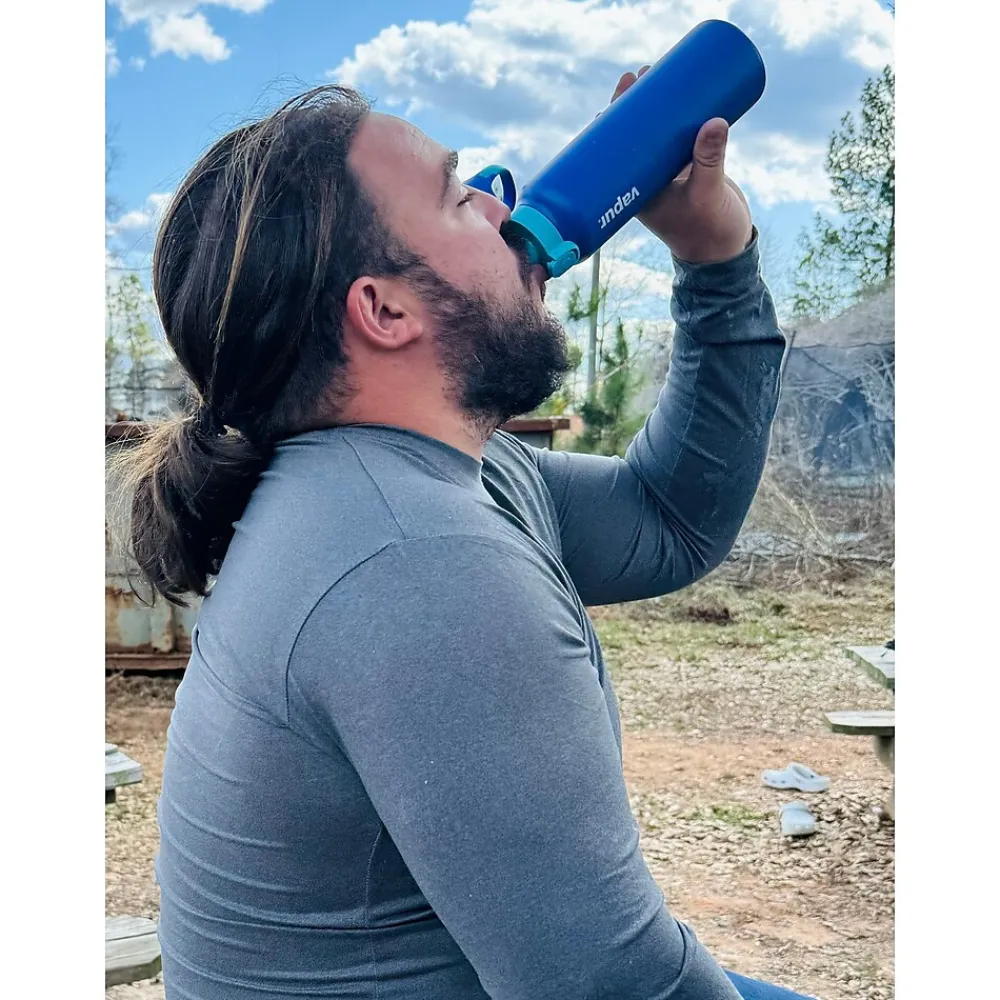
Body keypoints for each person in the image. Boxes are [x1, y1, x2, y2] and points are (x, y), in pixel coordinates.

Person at [117, 68, 807, 999]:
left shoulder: (415, 478)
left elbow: (668, 518)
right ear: (384, 310)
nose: (500, 202)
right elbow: (610, 987)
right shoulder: (412, 561)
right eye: (456, 196)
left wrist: (715, 261)